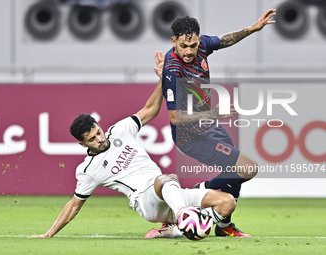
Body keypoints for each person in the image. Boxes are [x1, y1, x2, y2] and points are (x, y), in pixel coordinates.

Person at [28, 53, 236, 239]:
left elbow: (150, 110)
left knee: (228, 203)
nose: (99, 139)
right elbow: (74, 205)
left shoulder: (119, 130)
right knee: (167, 178)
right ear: (82, 144)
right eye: (91, 139)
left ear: (100, 127)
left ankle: (174, 228)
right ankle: (184, 216)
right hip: (146, 200)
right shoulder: (88, 169)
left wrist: (163, 78)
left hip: (168, 192)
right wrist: (48, 234)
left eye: (98, 132)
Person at [161, 9, 276, 237]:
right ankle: (194, 194)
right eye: (183, 46)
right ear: (174, 41)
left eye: (193, 46)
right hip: (191, 137)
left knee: (234, 172)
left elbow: (224, 40)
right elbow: (174, 117)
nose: (189, 51)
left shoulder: (201, 44)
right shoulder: (173, 71)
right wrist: (211, 114)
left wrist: (251, 29)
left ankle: (224, 227)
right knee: (247, 168)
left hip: (209, 127)